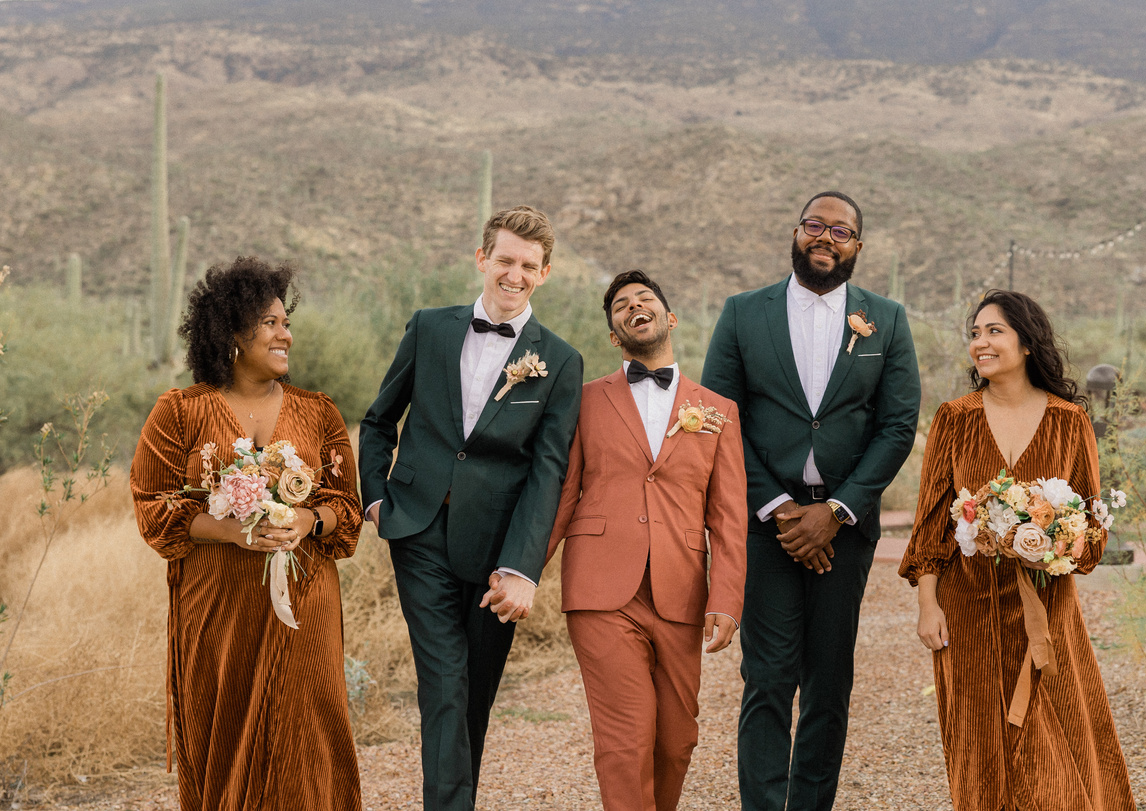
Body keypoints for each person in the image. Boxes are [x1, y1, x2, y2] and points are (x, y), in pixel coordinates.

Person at [701, 191, 920, 810]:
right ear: (797, 232)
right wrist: (778, 507)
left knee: (829, 684)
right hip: (766, 525)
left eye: (842, 231)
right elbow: (719, 417)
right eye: (815, 225)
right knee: (766, 680)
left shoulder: (888, 319)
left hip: (844, 528)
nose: (827, 237)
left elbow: (898, 425)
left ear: (857, 246)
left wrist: (838, 510)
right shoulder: (744, 313)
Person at [358, 205, 582, 811]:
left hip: (496, 552)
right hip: (419, 529)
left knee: (474, 696)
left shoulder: (560, 362)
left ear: (546, 273)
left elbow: (548, 473)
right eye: (504, 260)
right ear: (482, 259)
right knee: (446, 686)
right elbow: (379, 419)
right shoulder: (430, 328)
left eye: (528, 266)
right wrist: (376, 499)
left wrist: (523, 567)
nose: (514, 274)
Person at [130, 256, 364, 811]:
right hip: (216, 612)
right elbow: (153, 507)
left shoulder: (318, 414)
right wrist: (230, 532)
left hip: (303, 612)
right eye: (271, 323)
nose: (286, 333)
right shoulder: (180, 413)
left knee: (309, 737)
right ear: (232, 333)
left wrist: (306, 520)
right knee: (223, 735)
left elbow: (346, 511)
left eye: (287, 322)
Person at [899, 290, 1136, 810]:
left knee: (1058, 745)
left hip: (1047, 608)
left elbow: (1091, 529)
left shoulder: (1068, 421)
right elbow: (932, 522)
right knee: (978, 745)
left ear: (1027, 342)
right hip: (968, 609)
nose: (980, 343)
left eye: (994, 331)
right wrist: (927, 604)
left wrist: (1054, 544)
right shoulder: (953, 419)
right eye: (976, 333)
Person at [544, 270, 748, 811]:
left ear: (669, 317)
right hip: (599, 588)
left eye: (645, 300)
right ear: (615, 335)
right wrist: (521, 569)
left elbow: (729, 518)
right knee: (626, 737)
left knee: (676, 740)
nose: (634, 307)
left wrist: (726, 599)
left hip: (681, 592)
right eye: (620, 307)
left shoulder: (718, 410)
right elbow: (561, 493)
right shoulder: (585, 400)